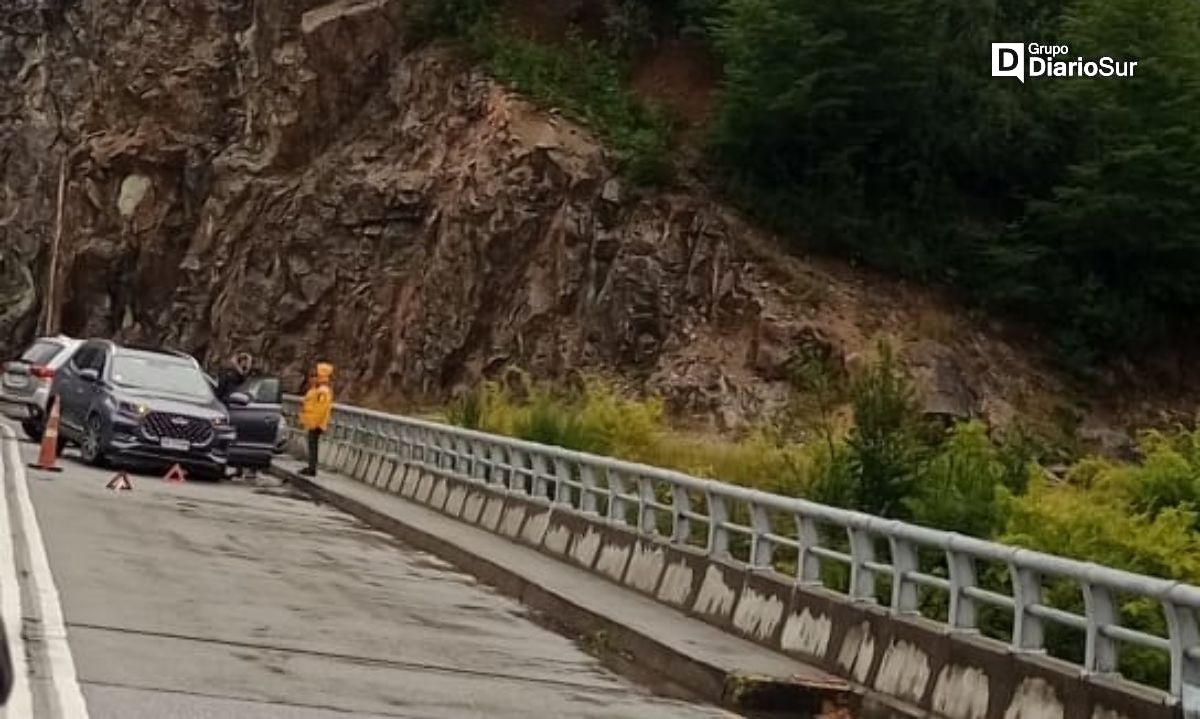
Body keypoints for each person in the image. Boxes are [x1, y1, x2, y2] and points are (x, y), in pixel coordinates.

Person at [298, 362, 334, 476]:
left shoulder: (322, 391)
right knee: (312, 445)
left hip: (316, 424)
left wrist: (315, 423)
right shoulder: (318, 389)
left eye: (315, 376)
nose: (312, 379)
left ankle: (312, 468)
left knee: (313, 446)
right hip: (313, 422)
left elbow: (320, 409)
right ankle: (311, 466)